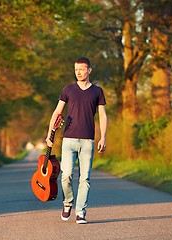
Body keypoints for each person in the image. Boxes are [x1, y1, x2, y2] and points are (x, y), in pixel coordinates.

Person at [46, 57, 108, 224]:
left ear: (89, 70)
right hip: (69, 140)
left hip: (88, 141)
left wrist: (103, 136)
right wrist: (49, 134)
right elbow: (57, 112)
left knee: (84, 178)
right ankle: (68, 203)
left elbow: (102, 115)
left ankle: (80, 212)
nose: (79, 72)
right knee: (65, 176)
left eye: (82, 69)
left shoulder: (97, 91)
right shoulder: (68, 90)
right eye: (76, 70)